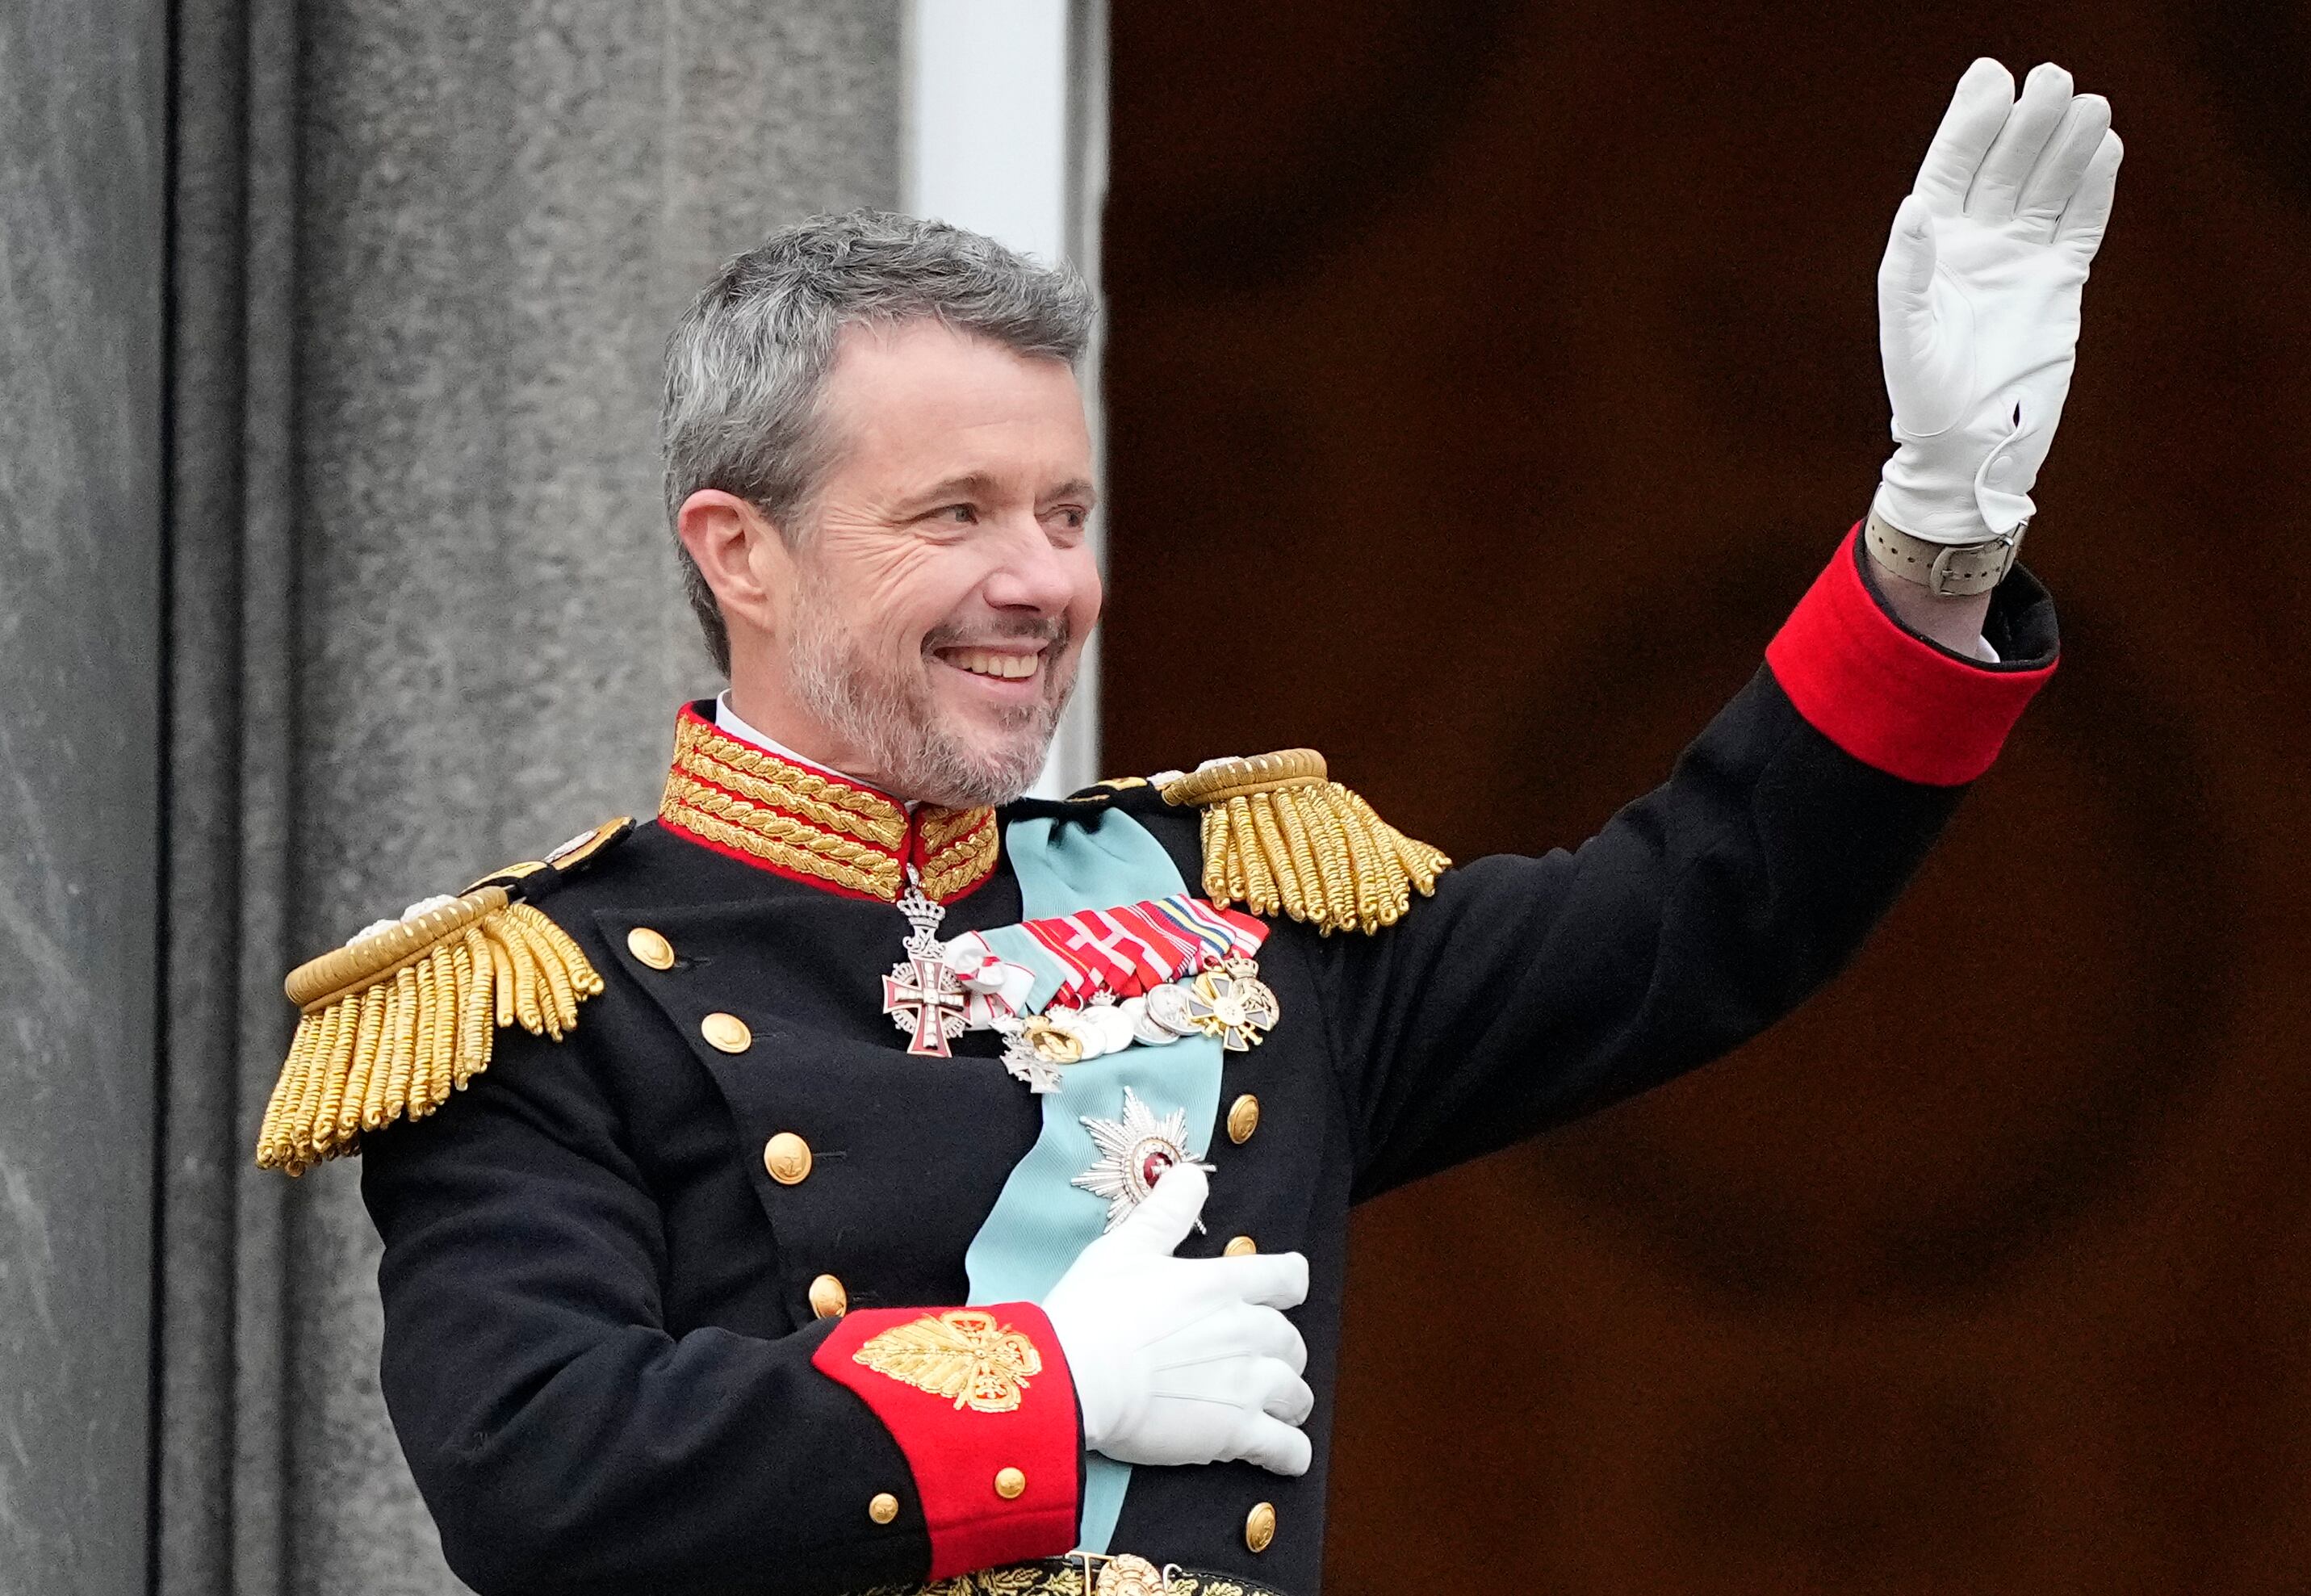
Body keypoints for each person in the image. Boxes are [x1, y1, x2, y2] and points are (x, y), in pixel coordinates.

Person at [254, 57, 2118, 1596]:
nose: (1036, 582)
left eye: (1064, 513)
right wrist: (1048, 1388)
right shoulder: (537, 999)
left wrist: (1931, 534)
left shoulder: (1239, 911)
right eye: (955, 514)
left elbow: (1697, 917)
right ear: (738, 548)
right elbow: (545, 1472)